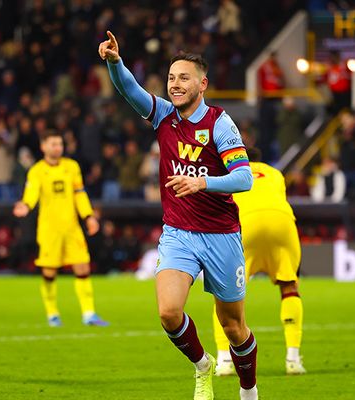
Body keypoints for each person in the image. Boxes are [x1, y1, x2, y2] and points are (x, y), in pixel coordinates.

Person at [99, 31, 258, 400]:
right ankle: (202, 365)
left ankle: (249, 391)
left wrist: (202, 182)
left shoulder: (219, 123)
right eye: (171, 78)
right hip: (179, 233)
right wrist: (115, 63)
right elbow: (130, 90)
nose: (175, 84)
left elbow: (244, 178)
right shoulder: (163, 116)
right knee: (169, 313)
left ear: (202, 84)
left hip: (221, 235)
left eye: (184, 78)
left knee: (233, 327)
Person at [212, 147, 306, 377]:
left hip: (247, 223)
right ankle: (293, 359)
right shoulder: (275, 173)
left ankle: (225, 360)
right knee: (289, 287)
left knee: (224, 293)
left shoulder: (228, 173)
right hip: (282, 222)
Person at [12, 129, 108, 327]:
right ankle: (52, 314)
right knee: (49, 272)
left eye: (60, 144)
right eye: (53, 144)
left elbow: (79, 193)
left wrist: (89, 216)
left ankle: (89, 313)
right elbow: (32, 193)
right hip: (49, 229)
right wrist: (26, 205)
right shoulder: (37, 171)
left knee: (83, 267)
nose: (58, 148)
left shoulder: (71, 166)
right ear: (43, 146)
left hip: (72, 227)